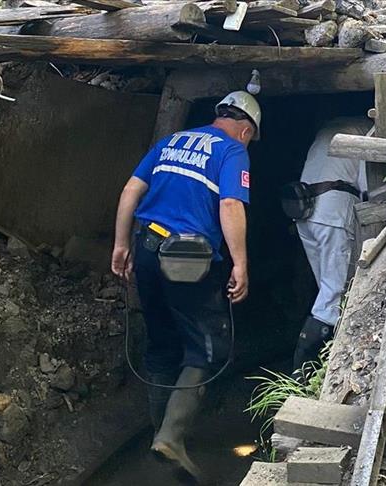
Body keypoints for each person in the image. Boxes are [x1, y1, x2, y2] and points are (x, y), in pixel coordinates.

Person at [110, 91, 260, 479]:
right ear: (245, 131)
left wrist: (121, 244)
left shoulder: (171, 141)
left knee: (161, 343)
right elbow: (230, 205)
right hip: (188, 261)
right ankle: (171, 438)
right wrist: (240, 262)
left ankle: (160, 436)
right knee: (208, 349)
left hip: (146, 247)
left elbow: (131, 190)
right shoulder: (232, 151)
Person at [292, 117, 372, 375]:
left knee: (325, 290)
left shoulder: (326, 128)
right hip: (333, 213)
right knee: (334, 294)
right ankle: (306, 372)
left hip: (303, 212)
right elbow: (367, 186)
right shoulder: (368, 132)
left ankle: (311, 369)